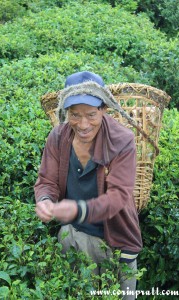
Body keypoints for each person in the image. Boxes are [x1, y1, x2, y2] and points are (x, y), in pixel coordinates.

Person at [34, 71, 142, 299]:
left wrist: (78, 209)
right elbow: (47, 180)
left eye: (91, 114)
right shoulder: (58, 136)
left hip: (114, 242)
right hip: (72, 235)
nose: (83, 124)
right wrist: (45, 200)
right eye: (75, 115)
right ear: (65, 112)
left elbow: (118, 196)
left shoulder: (122, 140)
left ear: (104, 109)